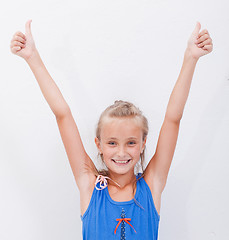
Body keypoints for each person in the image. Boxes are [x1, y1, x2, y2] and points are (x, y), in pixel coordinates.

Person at [10, 20, 213, 240]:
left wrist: (190, 58)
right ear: (99, 144)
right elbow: (63, 115)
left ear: (143, 143)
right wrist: (32, 58)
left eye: (131, 142)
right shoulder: (89, 185)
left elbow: (173, 119)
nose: (122, 152)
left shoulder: (151, 185)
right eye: (112, 142)